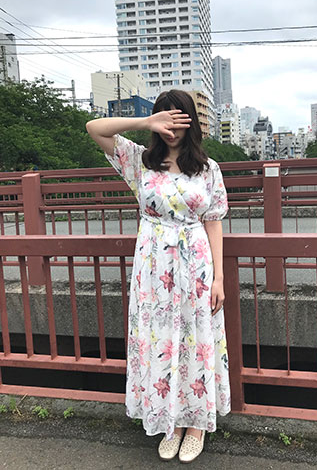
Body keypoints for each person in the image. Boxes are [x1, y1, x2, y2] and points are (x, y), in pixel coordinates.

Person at [86, 89, 231, 463]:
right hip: (153, 268)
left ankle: (196, 424)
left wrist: (218, 278)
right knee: (160, 339)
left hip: (196, 264)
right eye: (165, 119)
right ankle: (172, 422)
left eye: (178, 118)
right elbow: (94, 127)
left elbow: (214, 222)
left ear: (191, 122)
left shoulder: (208, 169)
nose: (171, 127)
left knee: (196, 338)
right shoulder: (140, 162)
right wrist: (145, 122)